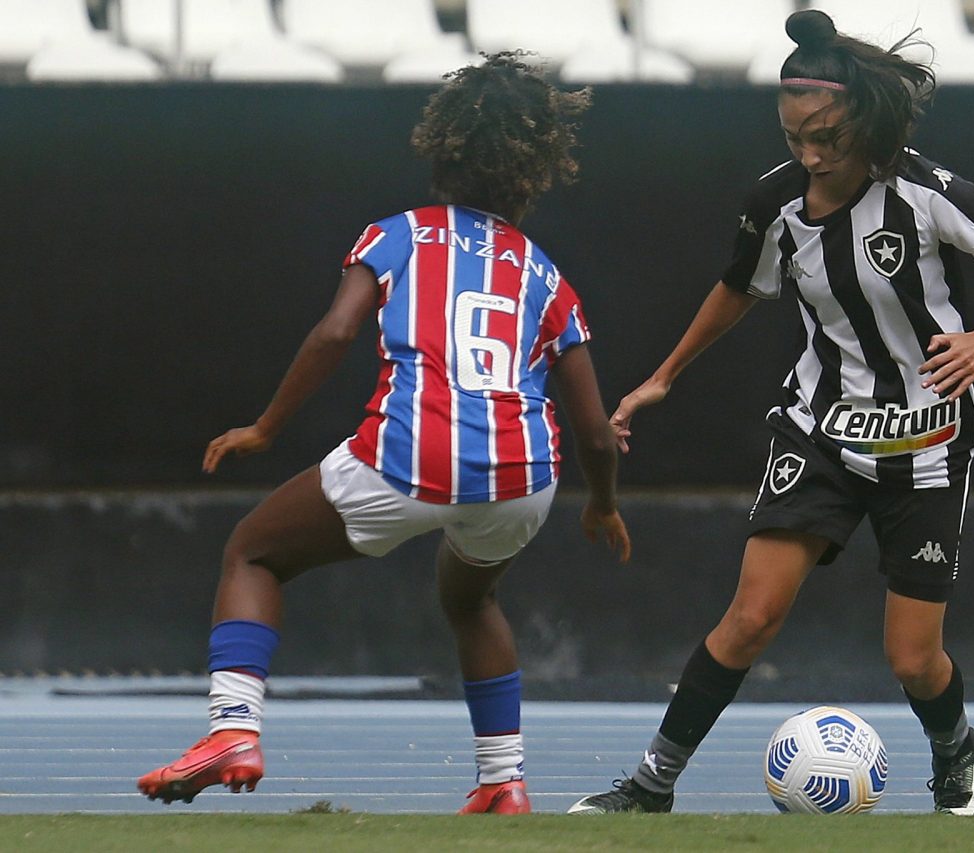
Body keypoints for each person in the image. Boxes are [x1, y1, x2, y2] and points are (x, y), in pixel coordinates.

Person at [568, 10, 974, 817]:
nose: (808, 151)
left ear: (862, 120)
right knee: (751, 616)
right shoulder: (777, 203)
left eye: (825, 134)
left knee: (911, 658)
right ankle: (651, 784)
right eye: (794, 133)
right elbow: (739, 287)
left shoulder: (926, 193)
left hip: (927, 442)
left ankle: (954, 749)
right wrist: (663, 375)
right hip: (820, 431)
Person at [137, 52, 630, 815]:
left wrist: (266, 426)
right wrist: (600, 504)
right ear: (531, 171)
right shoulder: (546, 274)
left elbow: (336, 333)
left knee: (253, 551)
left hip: (412, 454)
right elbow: (597, 433)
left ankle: (233, 730)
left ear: (444, 150)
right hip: (524, 477)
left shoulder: (398, 234)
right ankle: (504, 780)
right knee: (472, 598)